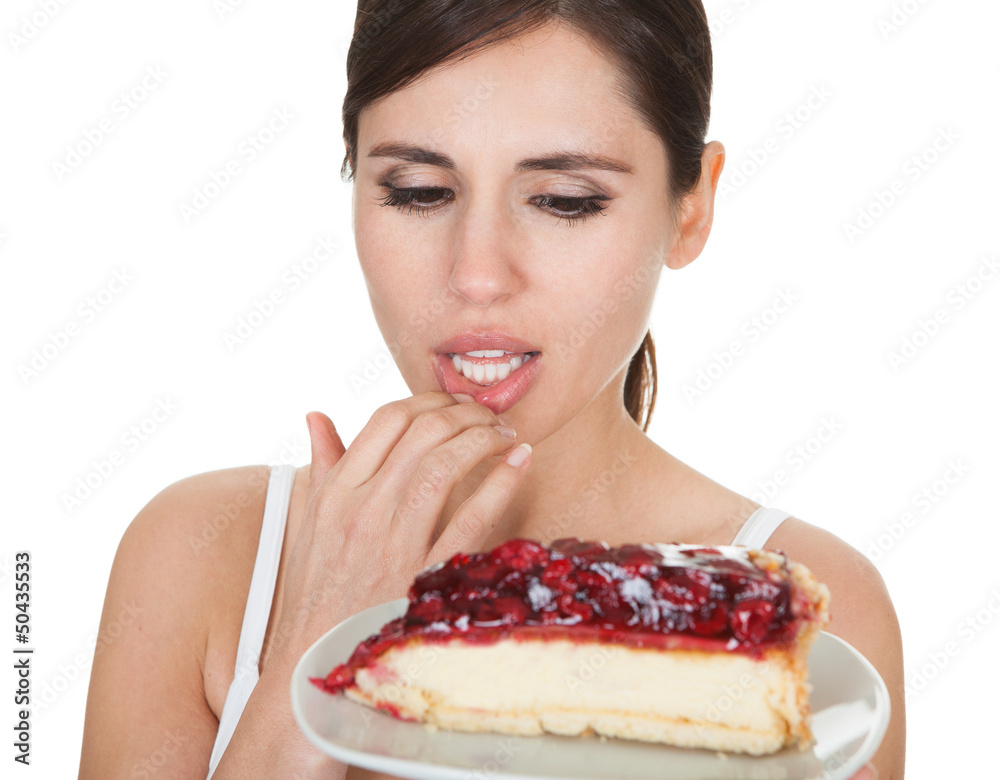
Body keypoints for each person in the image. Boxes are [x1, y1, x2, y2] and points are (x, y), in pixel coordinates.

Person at [78, 1, 904, 778]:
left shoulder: (811, 622)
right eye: (418, 191)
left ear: (692, 207)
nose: (476, 277)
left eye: (564, 202)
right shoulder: (198, 557)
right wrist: (310, 657)